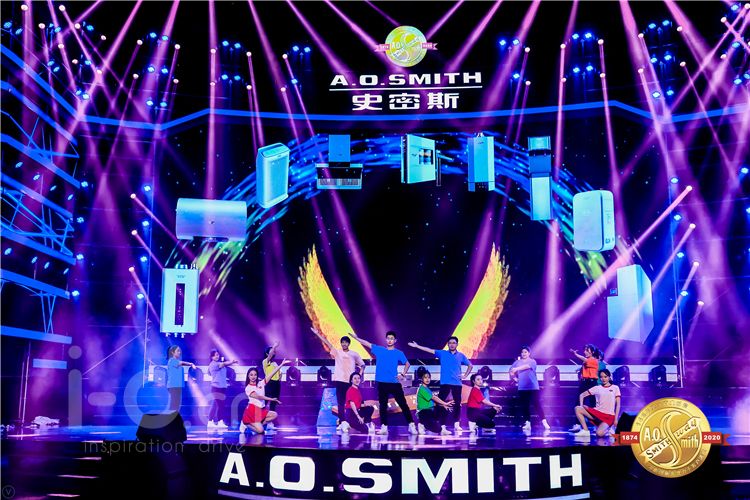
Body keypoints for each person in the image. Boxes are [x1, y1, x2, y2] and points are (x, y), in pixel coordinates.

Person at [350, 330, 418, 435]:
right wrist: (356, 338)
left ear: (395, 340)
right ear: (386, 339)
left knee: (403, 404)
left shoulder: (398, 353)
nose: (390, 340)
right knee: (382, 405)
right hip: (381, 383)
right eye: (388, 338)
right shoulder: (380, 350)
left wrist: (403, 374)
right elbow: (367, 343)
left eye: (392, 339)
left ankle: (411, 425)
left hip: (394, 382)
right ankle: (384, 427)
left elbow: (407, 364)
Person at [408, 337, 472, 433]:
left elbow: (470, 365)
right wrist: (417, 346)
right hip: (445, 383)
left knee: (457, 404)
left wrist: (465, 375)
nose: (452, 344)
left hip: (457, 383)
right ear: (448, 344)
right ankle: (441, 425)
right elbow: (429, 350)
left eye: (454, 343)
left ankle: (456, 424)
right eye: (450, 343)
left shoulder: (461, 355)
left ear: (457, 344)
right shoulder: (442, 353)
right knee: (441, 404)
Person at [311, 328, 365, 428]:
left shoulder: (354, 354)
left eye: (346, 342)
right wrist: (317, 333)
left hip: (350, 382)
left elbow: (363, 365)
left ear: (349, 343)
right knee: (340, 402)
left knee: (352, 403)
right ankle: (342, 422)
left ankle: (353, 421)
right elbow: (327, 342)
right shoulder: (337, 352)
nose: (344, 344)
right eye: (342, 342)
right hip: (339, 380)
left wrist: (359, 376)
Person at [240, 360, 289, 434]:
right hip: (253, 411)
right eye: (251, 375)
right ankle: (245, 424)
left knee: (274, 415)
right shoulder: (248, 388)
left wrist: (281, 364)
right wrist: (271, 399)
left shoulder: (261, 383)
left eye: (255, 375)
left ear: (257, 375)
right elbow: (259, 397)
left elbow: (271, 374)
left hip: (261, 410)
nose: (253, 377)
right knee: (261, 431)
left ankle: (256, 426)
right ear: (248, 376)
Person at [509, 345, 550, 432]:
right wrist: (515, 378)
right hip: (522, 388)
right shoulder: (517, 362)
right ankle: (527, 423)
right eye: (522, 352)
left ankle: (544, 422)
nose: (523, 353)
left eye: (525, 352)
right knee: (525, 406)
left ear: (529, 353)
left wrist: (516, 369)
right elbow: (511, 371)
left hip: (533, 387)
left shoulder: (532, 361)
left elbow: (527, 366)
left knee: (537, 404)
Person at [572, 369, 621, 438]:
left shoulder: (615, 388)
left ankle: (609, 429)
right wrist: (581, 405)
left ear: (609, 377)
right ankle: (585, 431)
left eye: (605, 377)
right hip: (597, 414)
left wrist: (616, 419)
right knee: (578, 408)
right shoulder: (597, 388)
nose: (603, 379)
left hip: (609, 416)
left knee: (599, 434)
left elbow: (618, 405)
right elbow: (582, 395)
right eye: (601, 377)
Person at [569, 344, 599, 431]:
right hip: (584, 383)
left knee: (593, 404)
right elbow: (585, 366)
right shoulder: (586, 361)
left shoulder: (594, 360)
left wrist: (576, 354)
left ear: (592, 352)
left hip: (592, 383)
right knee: (578, 402)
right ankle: (577, 424)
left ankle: (596, 425)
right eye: (585, 350)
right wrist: (579, 370)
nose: (585, 352)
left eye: (587, 350)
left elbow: (585, 360)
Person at [415, 369, 454, 435]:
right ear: (421, 379)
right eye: (425, 377)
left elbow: (434, 402)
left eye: (429, 377)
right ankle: (422, 425)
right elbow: (434, 397)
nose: (427, 379)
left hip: (430, 411)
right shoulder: (421, 389)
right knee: (437, 429)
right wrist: (445, 403)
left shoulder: (427, 389)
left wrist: (444, 405)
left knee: (445, 408)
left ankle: (443, 428)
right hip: (423, 412)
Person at [207, 350, 238, 429]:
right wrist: (232, 362)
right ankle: (219, 421)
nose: (216, 356)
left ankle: (211, 422)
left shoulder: (217, 364)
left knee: (216, 405)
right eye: (214, 355)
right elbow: (223, 364)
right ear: (211, 357)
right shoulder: (214, 364)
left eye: (217, 355)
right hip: (216, 388)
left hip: (222, 387)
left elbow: (210, 373)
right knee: (221, 406)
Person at [166, 346, 196, 412]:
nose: (179, 352)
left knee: (176, 405)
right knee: (174, 405)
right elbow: (182, 363)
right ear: (172, 352)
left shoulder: (176, 361)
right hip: (173, 386)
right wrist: (191, 364)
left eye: (179, 351)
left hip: (177, 386)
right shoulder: (172, 361)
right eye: (178, 351)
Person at [262, 341, 282, 430]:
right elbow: (270, 355)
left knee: (273, 403)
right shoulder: (265, 361)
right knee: (265, 402)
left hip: (276, 384)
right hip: (269, 383)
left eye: (274, 351)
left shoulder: (274, 363)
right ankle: (258, 419)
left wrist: (279, 378)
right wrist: (274, 346)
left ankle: (270, 422)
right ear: (267, 353)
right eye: (271, 351)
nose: (274, 352)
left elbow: (279, 373)